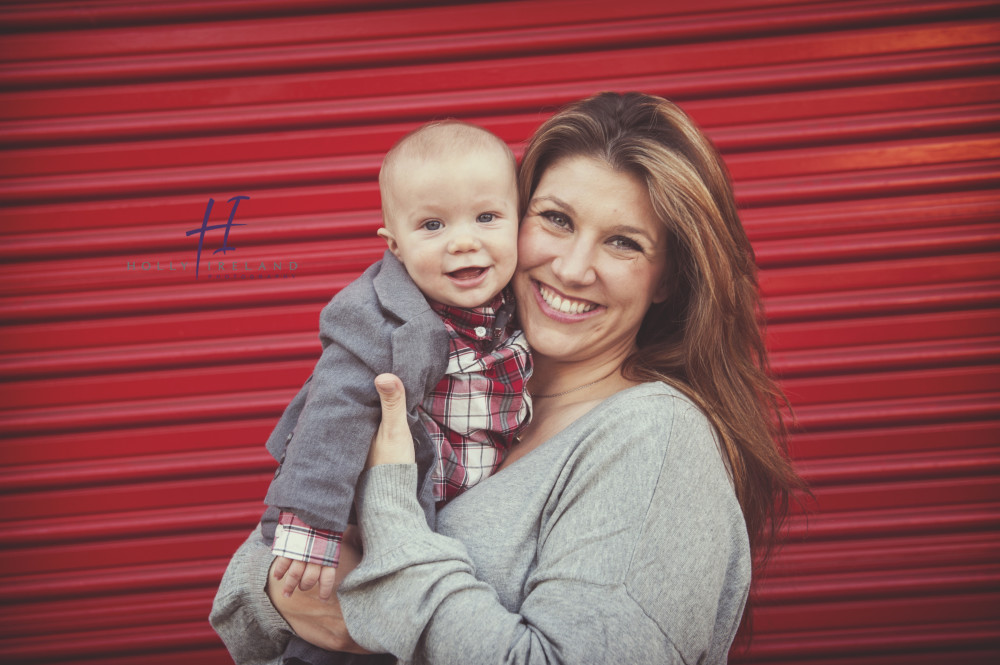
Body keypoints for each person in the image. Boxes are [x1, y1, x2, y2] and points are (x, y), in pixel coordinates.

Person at [211, 91, 803, 664]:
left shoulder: (655, 441)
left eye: (623, 242)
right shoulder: (450, 364)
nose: (572, 269)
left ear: (667, 280)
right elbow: (247, 587)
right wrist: (281, 594)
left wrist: (386, 527)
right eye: (556, 219)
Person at [256, 120, 532, 665]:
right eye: (432, 224)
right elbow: (331, 417)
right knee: (337, 636)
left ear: (519, 223)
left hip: (460, 521)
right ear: (396, 246)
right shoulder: (377, 319)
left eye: (487, 217)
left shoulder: (516, 305)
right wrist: (311, 524)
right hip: (381, 511)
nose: (464, 240)